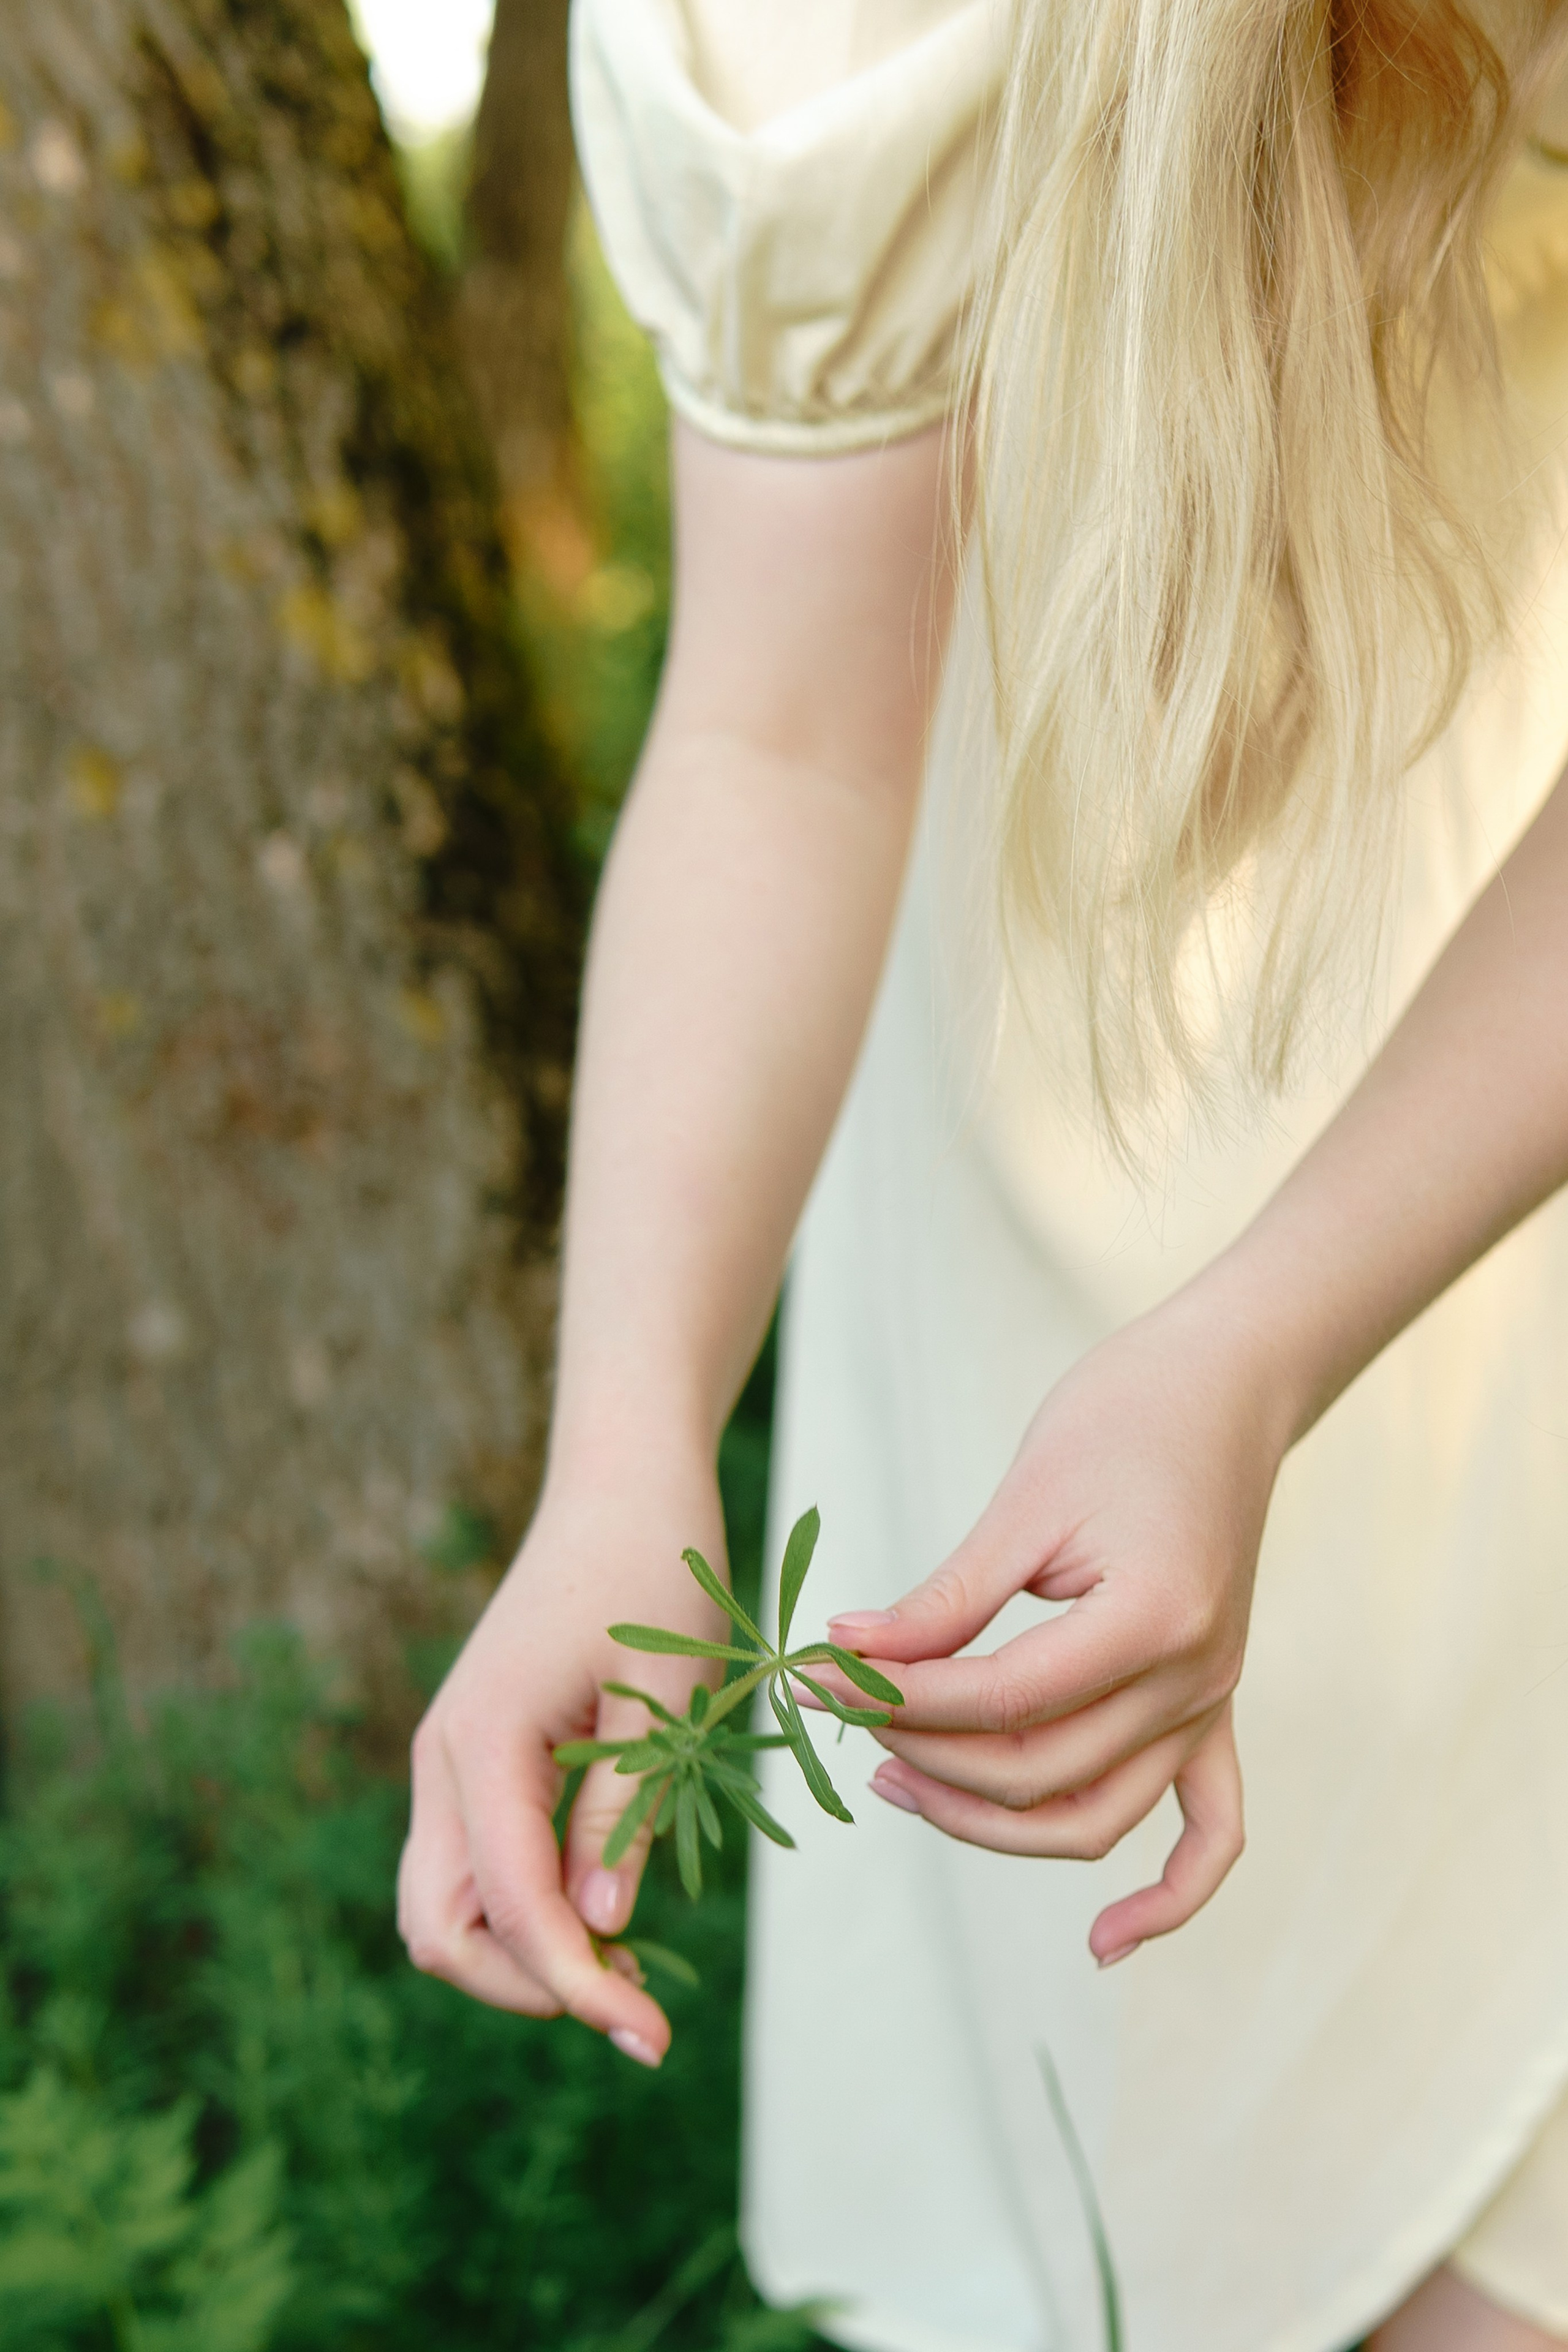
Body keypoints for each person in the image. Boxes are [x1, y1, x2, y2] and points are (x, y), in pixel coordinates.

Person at [396, 2, 1568, 2344]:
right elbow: (783, 719)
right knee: (1203, 2160)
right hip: (1082, 1031)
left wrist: (1259, 1341)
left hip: (1509, 985)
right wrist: (623, 1454)